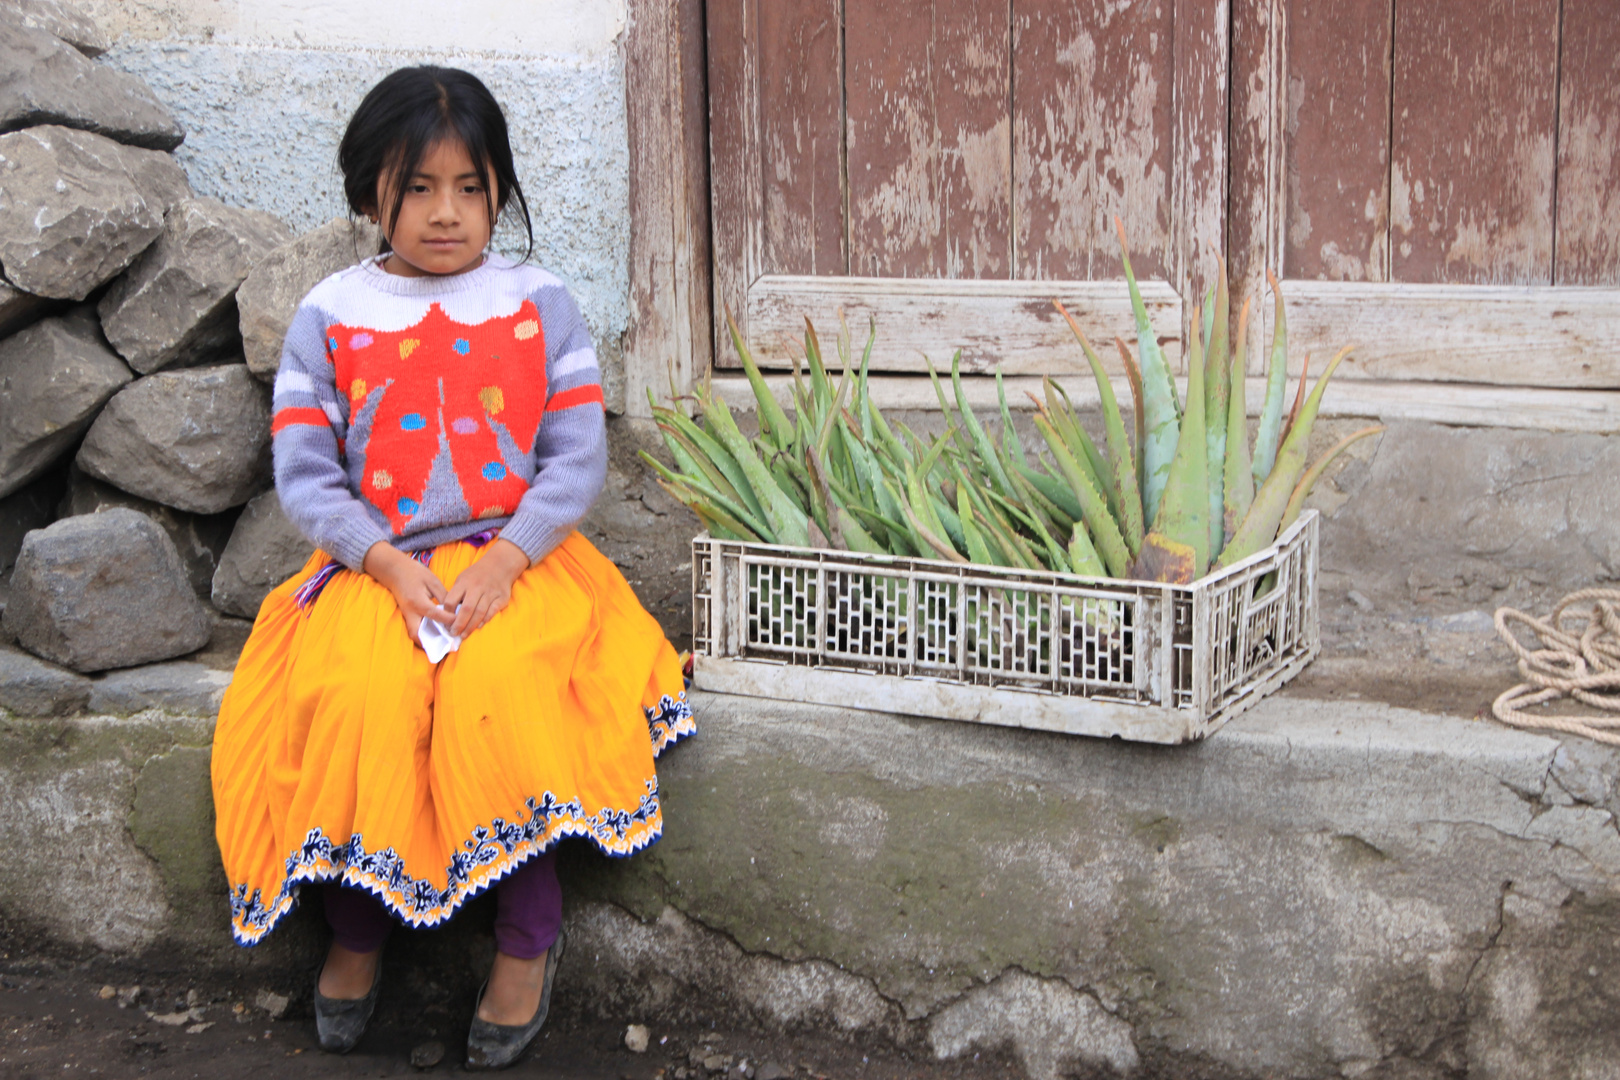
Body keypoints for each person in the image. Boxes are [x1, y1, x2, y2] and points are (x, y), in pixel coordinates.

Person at [210, 65, 693, 1070]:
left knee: (499, 688)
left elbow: (574, 460)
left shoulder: (539, 302)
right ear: (365, 192)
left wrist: (510, 557)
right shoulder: (331, 314)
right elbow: (305, 476)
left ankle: (528, 937)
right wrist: (382, 562)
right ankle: (355, 929)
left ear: (498, 191)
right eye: (415, 186)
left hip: (521, 563)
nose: (444, 213)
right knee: (357, 697)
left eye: (469, 188)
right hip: (375, 569)